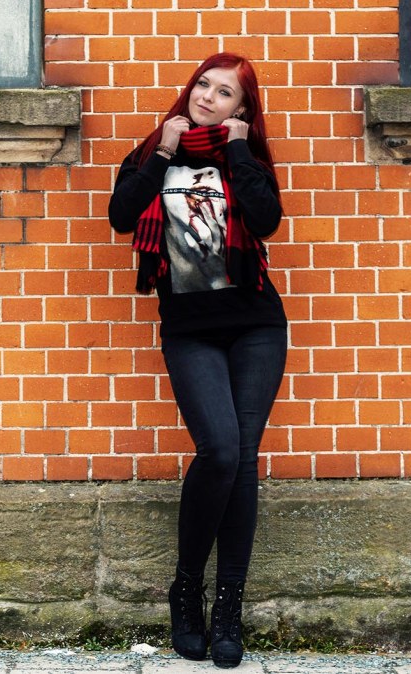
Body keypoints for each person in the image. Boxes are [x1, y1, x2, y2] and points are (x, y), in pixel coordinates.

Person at [107, 52, 288, 669]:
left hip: (257, 326)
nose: (208, 97)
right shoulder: (149, 154)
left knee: (242, 461)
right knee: (220, 450)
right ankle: (186, 589)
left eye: (225, 93)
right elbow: (121, 216)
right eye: (203, 85)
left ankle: (228, 607)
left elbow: (266, 220)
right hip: (190, 331)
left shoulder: (246, 160)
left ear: (242, 109)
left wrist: (237, 149)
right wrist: (163, 151)